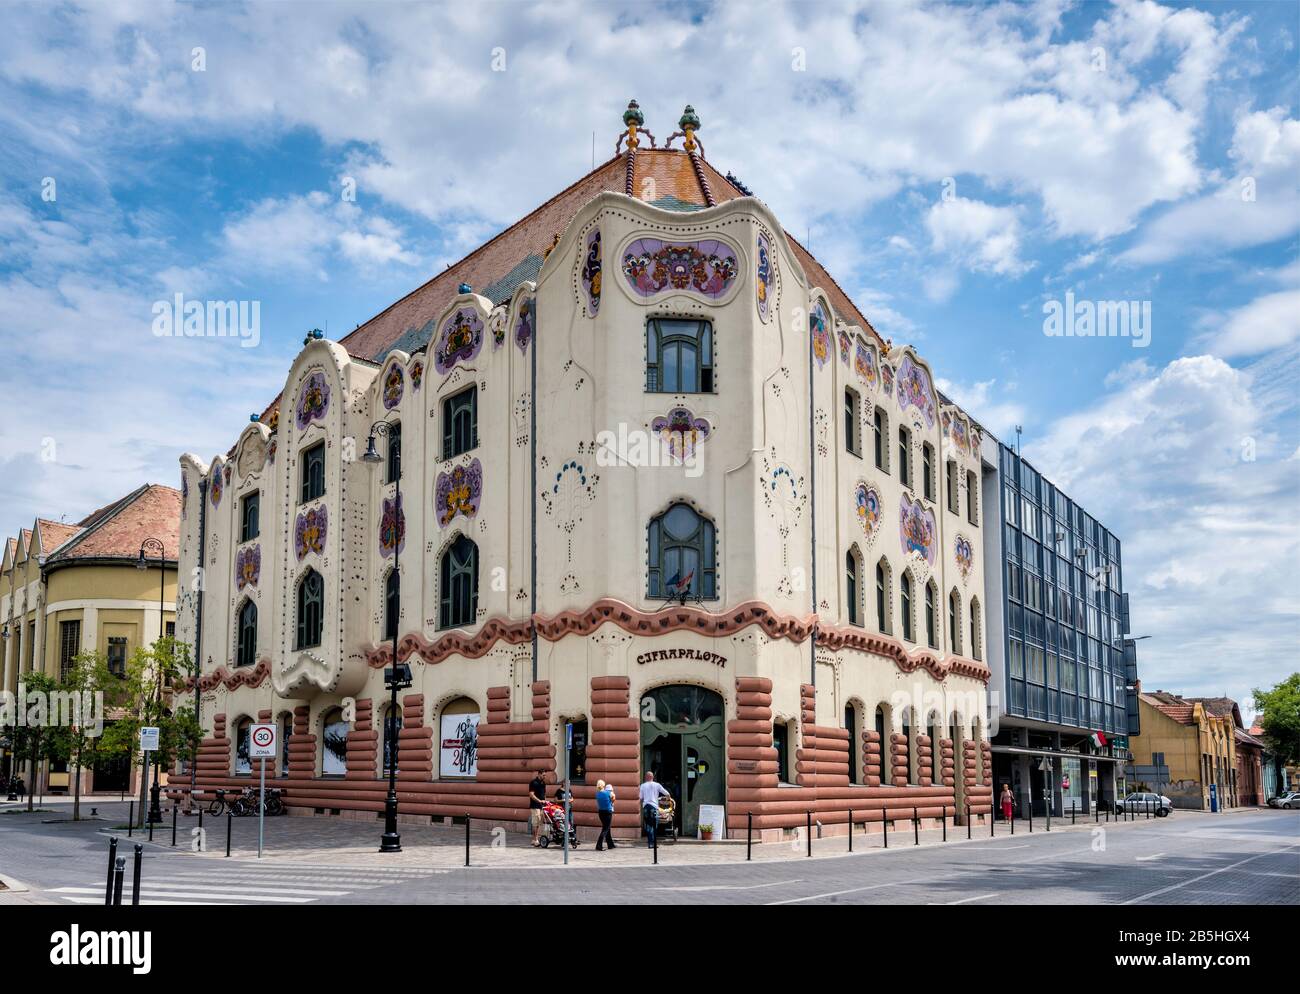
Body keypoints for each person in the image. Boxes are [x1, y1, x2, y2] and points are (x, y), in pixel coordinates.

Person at [638, 771, 670, 849]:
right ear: (653, 777)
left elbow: (640, 797)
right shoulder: (657, 785)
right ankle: (653, 843)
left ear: (646, 777)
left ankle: (650, 843)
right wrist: (668, 798)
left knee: (648, 825)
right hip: (654, 807)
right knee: (654, 825)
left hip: (646, 807)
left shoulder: (642, 785)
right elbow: (666, 793)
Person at [595, 779, 616, 850]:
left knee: (607, 828)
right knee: (605, 829)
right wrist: (611, 802)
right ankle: (599, 845)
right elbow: (613, 798)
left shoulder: (597, 794)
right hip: (607, 812)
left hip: (601, 812)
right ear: (603, 785)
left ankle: (610, 844)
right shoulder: (607, 793)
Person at [528, 770, 547, 846]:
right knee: (535, 823)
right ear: (539, 774)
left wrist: (545, 802)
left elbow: (544, 794)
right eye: (543, 775)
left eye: (545, 775)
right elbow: (531, 795)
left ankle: (534, 839)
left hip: (541, 806)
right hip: (535, 805)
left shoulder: (543, 783)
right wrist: (539, 801)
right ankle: (535, 840)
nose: (544, 777)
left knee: (539, 823)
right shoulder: (533, 782)